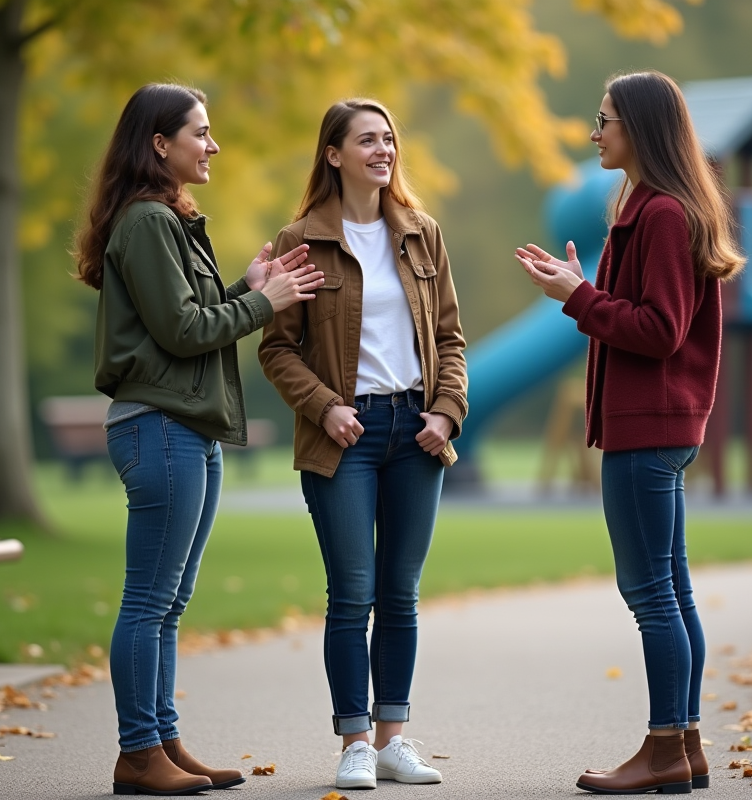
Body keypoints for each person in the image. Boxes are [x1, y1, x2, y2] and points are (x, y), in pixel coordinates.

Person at [74, 82, 324, 796]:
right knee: (150, 600)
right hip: (160, 425)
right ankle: (137, 752)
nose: (213, 145)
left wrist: (245, 286)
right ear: (160, 144)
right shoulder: (148, 220)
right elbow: (184, 332)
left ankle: (161, 740)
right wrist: (264, 302)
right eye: (200, 133)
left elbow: (187, 317)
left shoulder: (165, 221)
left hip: (185, 425)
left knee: (170, 601)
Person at [515, 70, 745, 795]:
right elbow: (641, 312)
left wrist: (579, 297)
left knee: (651, 593)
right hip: (657, 426)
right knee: (671, 590)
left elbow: (660, 330)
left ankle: (664, 748)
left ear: (638, 128)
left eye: (604, 119)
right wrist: (581, 287)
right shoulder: (650, 207)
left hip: (649, 429)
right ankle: (685, 746)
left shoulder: (663, 214)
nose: (594, 133)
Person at [257, 99, 467, 791]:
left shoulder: (422, 234)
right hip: (342, 436)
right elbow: (277, 348)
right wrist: (324, 407)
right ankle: (354, 743)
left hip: (417, 432)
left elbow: (450, 339)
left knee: (400, 593)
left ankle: (392, 741)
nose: (383, 150)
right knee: (352, 593)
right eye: (367, 140)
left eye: (389, 139)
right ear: (334, 154)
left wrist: (446, 412)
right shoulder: (301, 241)